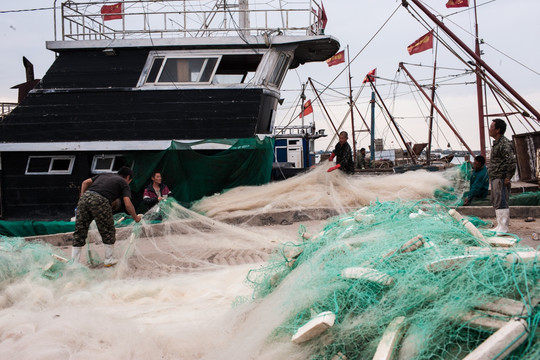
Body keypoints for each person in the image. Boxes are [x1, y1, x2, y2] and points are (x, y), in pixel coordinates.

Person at [71, 166, 141, 266]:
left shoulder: (104, 175)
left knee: (80, 230)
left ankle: (74, 262)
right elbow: (127, 203)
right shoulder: (123, 182)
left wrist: (82, 197)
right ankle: (109, 259)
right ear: (128, 177)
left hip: (85, 198)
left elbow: (85, 183)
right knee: (108, 230)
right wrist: (136, 217)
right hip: (100, 200)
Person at [488, 118, 516, 233]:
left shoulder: (504, 143)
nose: (489, 129)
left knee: (502, 201)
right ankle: (500, 225)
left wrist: (508, 177)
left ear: (498, 130)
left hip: (501, 177)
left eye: (491, 127)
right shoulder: (497, 143)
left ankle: (503, 227)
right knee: (497, 201)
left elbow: (511, 161)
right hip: (495, 177)